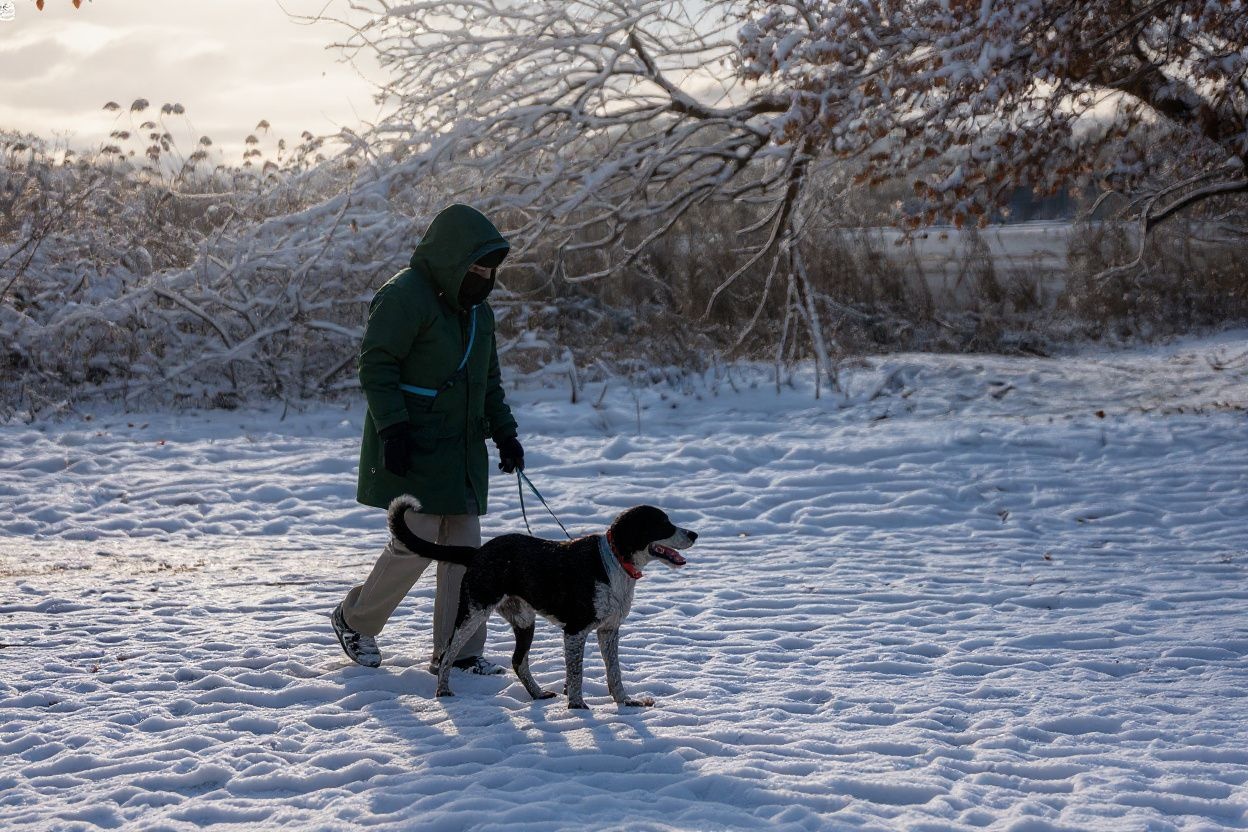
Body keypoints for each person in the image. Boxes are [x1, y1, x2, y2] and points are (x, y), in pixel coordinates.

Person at [331, 204, 524, 675]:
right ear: (451, 258)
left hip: (461, 450)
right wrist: (393, 427)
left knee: (468, 554)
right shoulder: (403, 296)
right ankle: (354, 620)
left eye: (490, 268)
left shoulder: (480, 314)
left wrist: (505, 433)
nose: (484, 276)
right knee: (414, 542)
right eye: (477, 266)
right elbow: (376, 365)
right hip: (413, 443)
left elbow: (488, 382)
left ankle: (458, 650)